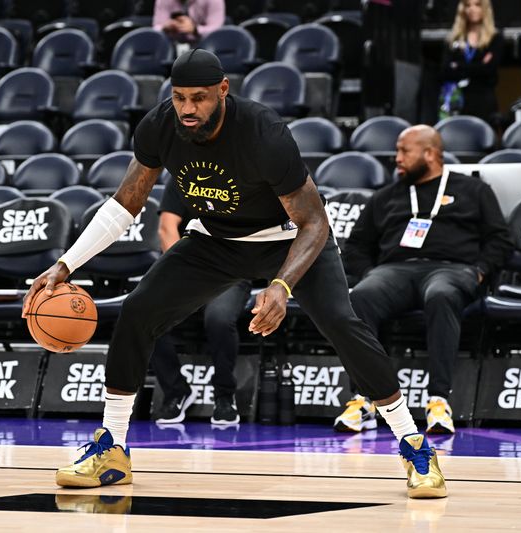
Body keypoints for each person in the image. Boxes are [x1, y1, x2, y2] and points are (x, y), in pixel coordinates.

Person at [23, 49, 447, 499]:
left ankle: (414, 443)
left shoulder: (263, 133)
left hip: (288, 240)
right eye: (180, 97)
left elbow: (314, 222)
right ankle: (112, 449)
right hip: (215, 242)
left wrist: (281, 286)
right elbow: (126, 201)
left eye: (200, 98)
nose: (188, 109)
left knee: (343, 323)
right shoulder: (160, 126)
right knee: (137, 311)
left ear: (223, 91)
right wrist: (68, 262)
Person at [338, 124, 513, 435]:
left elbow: (500, 239)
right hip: (395, 271)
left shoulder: (473, 190)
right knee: (361, 295)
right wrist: (370, 274)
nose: (397, 158)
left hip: (451, 269)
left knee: (441, 294)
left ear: (430, 154)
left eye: (405, 151)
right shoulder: (386, 196)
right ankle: (364, 399)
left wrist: (480, 271)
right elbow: (355, 245)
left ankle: (438, 401)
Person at [152, 179, 252, 426]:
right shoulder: (182, 175)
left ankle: (224, 397)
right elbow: (167, 228)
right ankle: (176, 391)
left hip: (232, 272)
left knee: (218, 319)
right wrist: (185, 272)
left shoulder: (245, 176)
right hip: (189, 270)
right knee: (148, 315)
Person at [439, 0, 503, 124]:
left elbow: (489, 71)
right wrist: (479, 66)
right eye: (468, 5)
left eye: (477, 4)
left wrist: (458, 66)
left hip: (483, 101)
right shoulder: (453, 39)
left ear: (485, 8)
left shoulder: (494, 38)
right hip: (455, 100)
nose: (472, 9)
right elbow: (444, 71)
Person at [153, 0, 225, 44]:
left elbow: (217, 29)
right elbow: (156, 28)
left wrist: (195, 29)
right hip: (172, 44)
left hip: (205, 45)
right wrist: (165, 27)